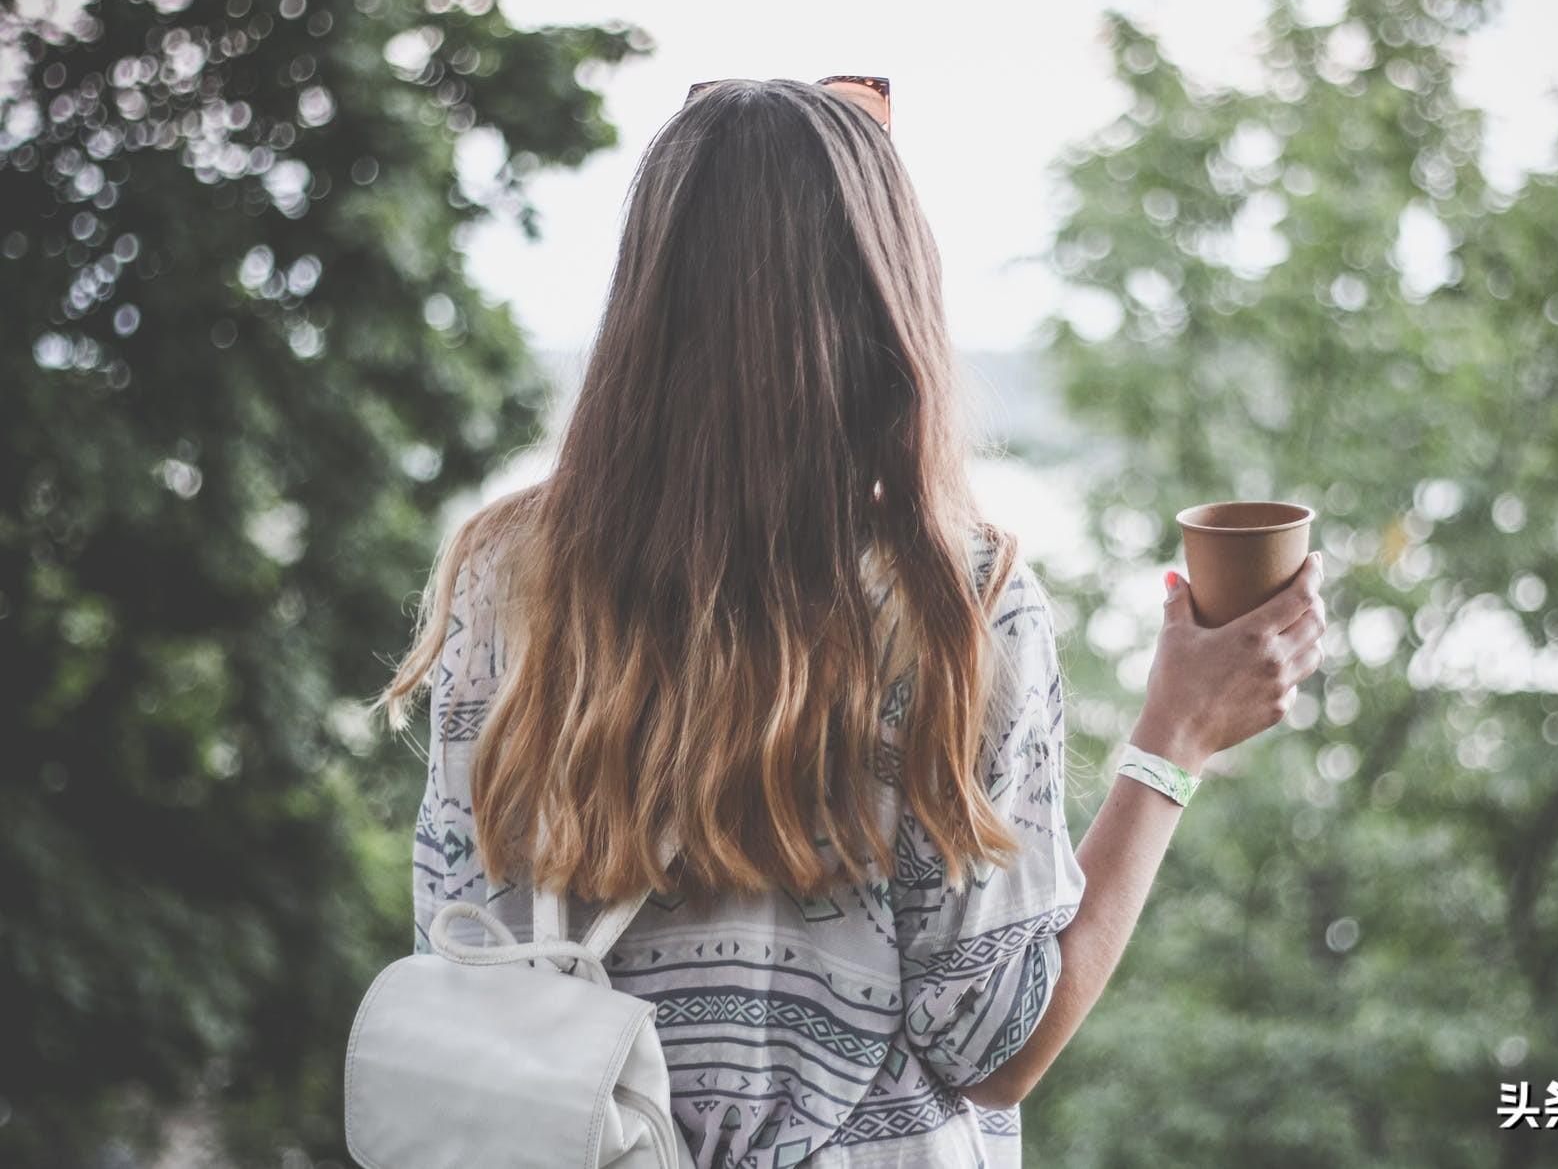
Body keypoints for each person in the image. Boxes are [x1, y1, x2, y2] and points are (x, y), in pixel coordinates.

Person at [376, 76, 1327, 1168]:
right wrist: (1175, 737)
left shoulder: (509, 576)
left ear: (645, 296)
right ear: (888, 305)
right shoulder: (949, 599)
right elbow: (991, 1044)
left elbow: (461, 957)